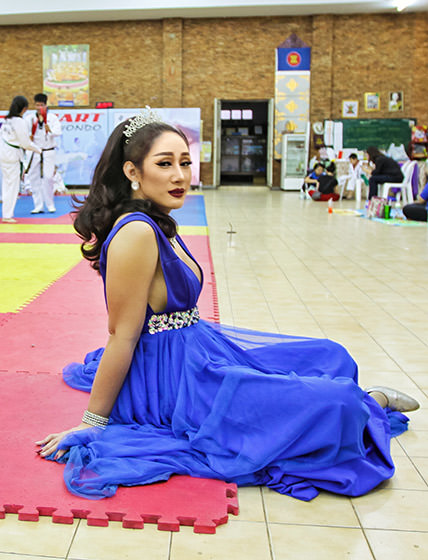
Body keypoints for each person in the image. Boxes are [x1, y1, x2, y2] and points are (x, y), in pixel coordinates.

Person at [36, 109, 419, 502]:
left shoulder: (157, 221)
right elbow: (122, 335)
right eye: (164, 164)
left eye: (185, 162)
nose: (180, 176)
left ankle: (354, 399)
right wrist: (93, 423)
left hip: (199, 351)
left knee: (330, 356)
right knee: (337, 403)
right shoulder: (136, 232)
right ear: (133, 171)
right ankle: (373, 400)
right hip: (176, 383)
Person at [0, 95, 41, 223]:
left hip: (3, 154)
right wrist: (39, 150)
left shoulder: (7, 120)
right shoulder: (20, 121)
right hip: (12, 156)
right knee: (13, 186)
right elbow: (25, 143)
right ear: (24, 108)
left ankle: (6, 213)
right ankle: (7, 215)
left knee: (7, 184)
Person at [25, 93, 62, 213]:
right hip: (34, 152)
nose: (39, 107)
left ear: (46, 105)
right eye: (37, 105)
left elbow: (58, 132)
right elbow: (24, 134)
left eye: (41, 105)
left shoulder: (52, 118)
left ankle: (50, 204)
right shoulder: (30, 118)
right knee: (33, 178)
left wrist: (49, 130)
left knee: (48, 177)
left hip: (48, 151)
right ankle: (38, 205)